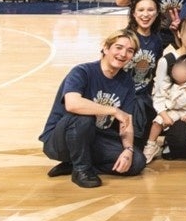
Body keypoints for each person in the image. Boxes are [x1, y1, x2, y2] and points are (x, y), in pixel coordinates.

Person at [39, 31, 146, 188]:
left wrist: (128, 149)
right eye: (118, 47)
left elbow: (127, 121)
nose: (123, 54)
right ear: (106, 48)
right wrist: (113, 110)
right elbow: (72, 104)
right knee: (84, 118)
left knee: (137, 162)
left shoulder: (127, 82)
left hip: (95, 138)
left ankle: (77, 164)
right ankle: (81, 170)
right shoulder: (82, 71)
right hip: (61, 140)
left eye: (130, 51)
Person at [144, 54, 186, 164]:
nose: (179, 70)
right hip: (172, 111)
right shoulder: (167, 83)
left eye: (184, 68)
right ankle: (151, 144)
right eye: (177, 66)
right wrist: (164, 116)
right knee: (157, 121)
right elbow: (158, 100)